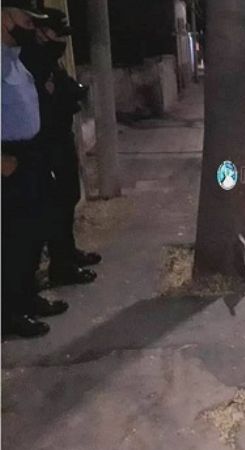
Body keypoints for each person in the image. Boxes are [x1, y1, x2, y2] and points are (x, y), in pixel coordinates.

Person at [20, 7, 101, 287]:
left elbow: (67, 91)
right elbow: (47, 101)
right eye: (56, 33)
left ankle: (67, 254)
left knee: (67, 199)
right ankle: (61, 266)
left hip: (59, 139)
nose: (60, 40)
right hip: (45, 143)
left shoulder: (48, 59)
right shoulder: (31, 60)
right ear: (42, 32)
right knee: (55, 206)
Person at [2, 0, 68, 338]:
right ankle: (10, 314)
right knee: (13, 241)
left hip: (30, 156)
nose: (30, 26)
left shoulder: (15, 60)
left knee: (32, 235)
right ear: (5, 15)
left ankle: (27, 299)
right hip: (8, 162)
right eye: (27, 19)